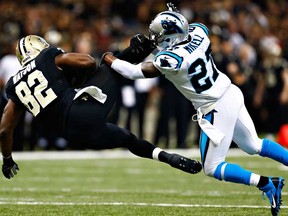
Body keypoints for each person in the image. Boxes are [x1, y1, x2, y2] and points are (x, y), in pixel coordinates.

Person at [102, 3, 287, 216]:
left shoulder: (170, 59)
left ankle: (266, 183)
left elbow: (135, 72)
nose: (154, 37)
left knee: (212, 168)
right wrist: (174, 17)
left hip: (215, 105)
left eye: (158, 34)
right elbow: (191, 30)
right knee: (254, 145)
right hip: (230, 92)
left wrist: (111, 58)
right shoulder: (199, 33)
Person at [0, 35, 203, 179]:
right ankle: (148, 45)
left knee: (127, 139)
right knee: (109, 61)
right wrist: (74, 76)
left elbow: (4, 129)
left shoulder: (13, 86)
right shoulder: (47, 58)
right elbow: (88, 62)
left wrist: (7, 159)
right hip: (82, 112)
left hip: (73, 135)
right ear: (39, 47)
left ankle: (169, 158)